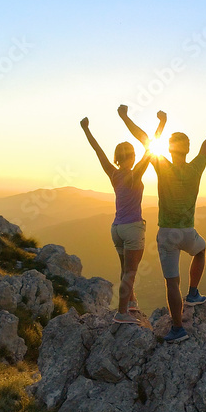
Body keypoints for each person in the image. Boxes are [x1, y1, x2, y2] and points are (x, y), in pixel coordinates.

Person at [120, 107, 206, 343]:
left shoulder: (163, 166)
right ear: (188, 149)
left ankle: (177, 329)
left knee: (172, 282)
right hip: (188, 231)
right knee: (200, 250)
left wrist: (125, 117)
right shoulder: (196, 166)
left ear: (169, 149)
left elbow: (143, 140)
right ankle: (193, 293)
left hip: (167, 233)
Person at [80, 109, 165, 324]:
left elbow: (97, 150)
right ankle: (121, 314)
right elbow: (150, 147)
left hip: (116, 229)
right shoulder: (136, 173)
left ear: (116, 158)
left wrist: (86, 129)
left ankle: (131, 302)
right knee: (131, 272)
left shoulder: (113, 172)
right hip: (133, 228)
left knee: (124, 270)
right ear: (134, 157)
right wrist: (161, 124)